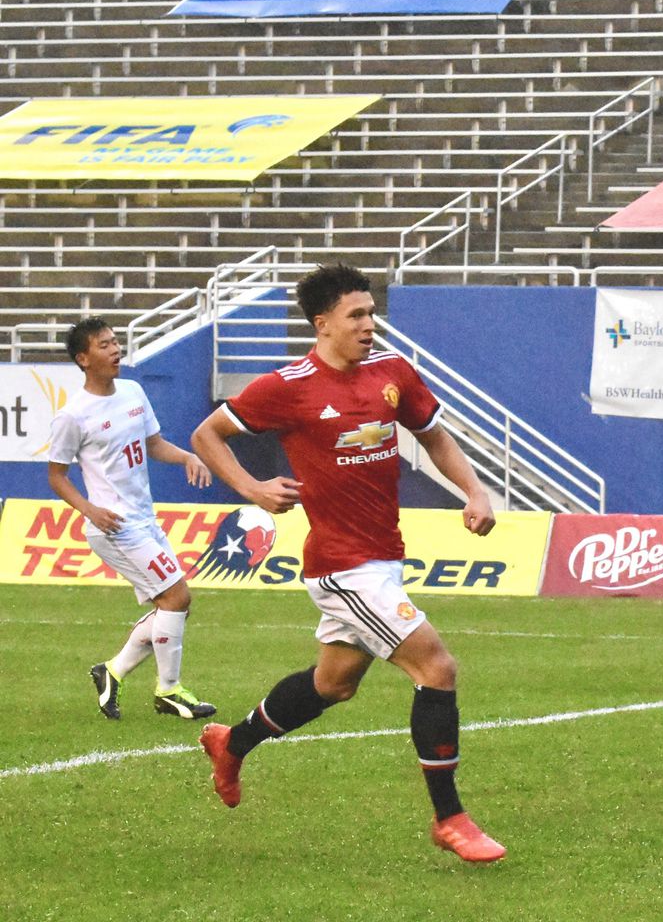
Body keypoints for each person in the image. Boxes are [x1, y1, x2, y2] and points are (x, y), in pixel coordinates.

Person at [190, 263, 506, 863]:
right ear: (323, 324)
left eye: (371, 313)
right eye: (356, 315)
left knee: (332, 684)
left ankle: (233, 743)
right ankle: (450, 819)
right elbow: (208, 435)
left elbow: (434, 435)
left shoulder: (393, 373)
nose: (369, 325)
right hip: (341, 566)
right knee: (436, 667)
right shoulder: (287, 385)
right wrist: (253, 488)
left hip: (384, 557)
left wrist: (475, 490)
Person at [48, 317, 216, 722]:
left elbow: (153, 444)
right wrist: (90, 509)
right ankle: (169, 691)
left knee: (174, 607)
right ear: (83, 358)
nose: (115, 350)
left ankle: (112, 671)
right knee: (176, 599)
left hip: (145, 518)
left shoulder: (133, 392)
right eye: (104, 345)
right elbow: (56, 476)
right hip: (114, 526)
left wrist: (187, 457)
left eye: (115, 342)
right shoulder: (73, 415)